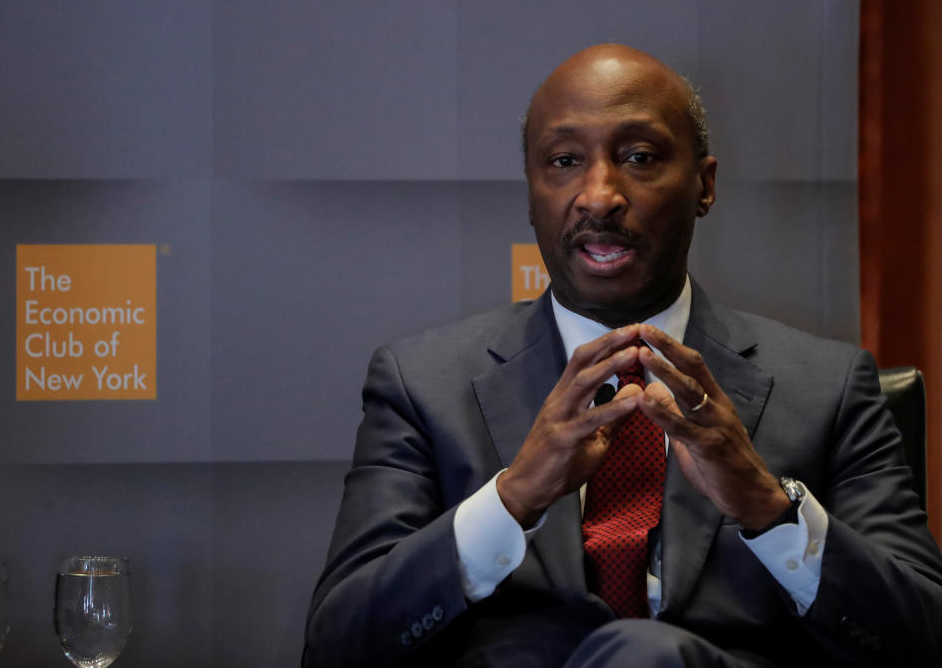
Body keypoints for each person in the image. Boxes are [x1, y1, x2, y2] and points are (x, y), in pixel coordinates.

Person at [302, 44, 942, 667]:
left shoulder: (827, 386)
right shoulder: (422, 383)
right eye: (563, 161)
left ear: (704, 184)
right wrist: (513, 498)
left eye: (639, 156)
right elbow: (338, 644)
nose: (599, 195)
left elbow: (922, 636)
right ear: (530, 193)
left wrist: (766, 506)